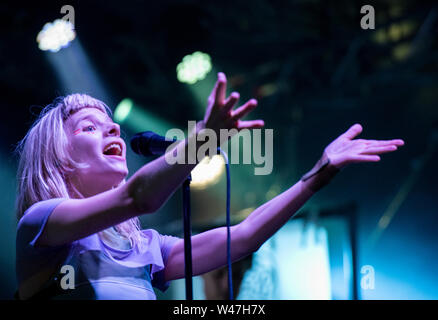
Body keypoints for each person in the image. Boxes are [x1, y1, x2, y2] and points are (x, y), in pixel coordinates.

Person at [15, 72, 404, 300]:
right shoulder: (40, 225)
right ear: (58, 156)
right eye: (88, 127)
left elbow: (245, 237)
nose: (113, 129)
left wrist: (316, 175)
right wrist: (203, 138)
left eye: (111, 124)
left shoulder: (145, 248)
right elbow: (139, 196)